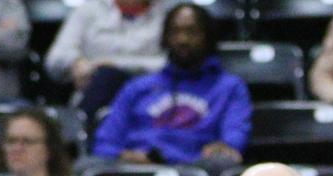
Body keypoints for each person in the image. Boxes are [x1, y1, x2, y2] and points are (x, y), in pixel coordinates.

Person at [91, 4, 251, 167]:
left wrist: (223, 148)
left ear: (207, 36)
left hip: (197, 168)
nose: (183, 39)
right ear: (165, 37)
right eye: (175, 32)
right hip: (137, 169)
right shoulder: (137, 87)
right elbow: (105, 143)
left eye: (192, 32)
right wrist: (123, 155)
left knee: (223, 163)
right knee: (88, 165)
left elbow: (234, 139)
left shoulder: (229, 87)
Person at [46, 0, 167, 116]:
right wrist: (76, 62)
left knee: (109, 74)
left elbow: (174, 62)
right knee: (105, 78)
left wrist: (113, 65)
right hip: (96, 92)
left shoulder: (166, 13)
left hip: (152, 96)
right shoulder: (90, 8)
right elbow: (55, 59)